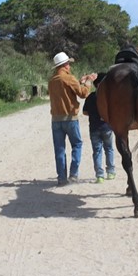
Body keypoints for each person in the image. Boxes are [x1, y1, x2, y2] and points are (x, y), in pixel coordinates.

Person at [48, 52, 97, 186]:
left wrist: (78, 82)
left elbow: (65, 90)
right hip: (70, 118)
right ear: (65, 65)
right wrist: (88, 81)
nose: (69, 66)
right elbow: (83, 94)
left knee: (59, 149)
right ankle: (73, 174)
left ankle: (61, 178)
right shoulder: (69, 78)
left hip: (56, 119)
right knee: (77, 145)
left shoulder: (52, 80)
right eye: (68, 63)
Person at [82, 73, 116, 184]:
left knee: (97, 152)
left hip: (94, 128)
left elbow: (84, 112)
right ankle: (110, 172)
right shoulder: (108, 97)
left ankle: (99, 176)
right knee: (109, 149)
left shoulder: (91, 96)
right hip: (107, 127)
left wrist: (93, 114)